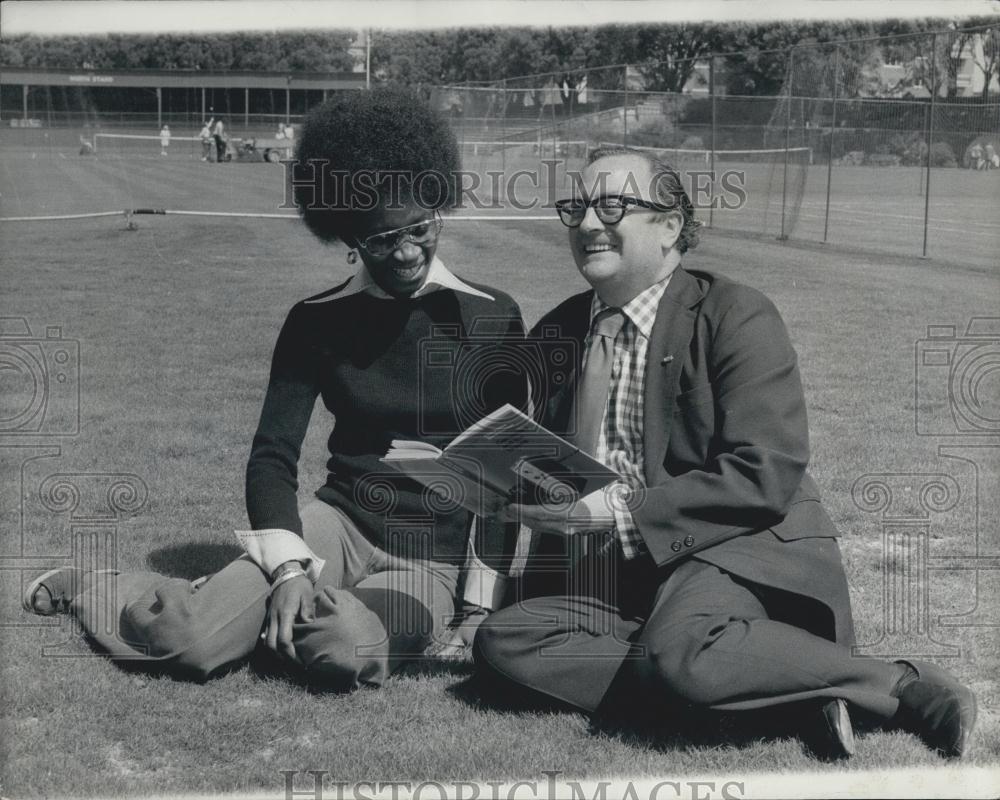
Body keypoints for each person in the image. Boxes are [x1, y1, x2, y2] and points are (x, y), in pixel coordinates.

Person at [473, 145, 978, 760]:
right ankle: (777, 691)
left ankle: (900, 684)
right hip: (615, 576)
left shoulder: (736, 313)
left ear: (670, 226)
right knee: (506, 641)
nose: (585, 224)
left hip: (731, 548)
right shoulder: (557, 331)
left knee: (679, 650)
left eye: (610, 205)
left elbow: (766, 470)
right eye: (576, 207)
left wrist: (624, 514)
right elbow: (557, 464)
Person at [23, 87, 526, 690]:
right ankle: (103, 587)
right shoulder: (315, 320)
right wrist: (288, 570)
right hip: (336, 526)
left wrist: (477, 607)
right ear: (347, 237)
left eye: (418, 227)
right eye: (379, 239)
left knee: (340, 649)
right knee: (188, 640)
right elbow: (272, 457)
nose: (406, 250)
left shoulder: (492, 316)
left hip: (430, 559)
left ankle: (272, 617)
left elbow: (506, 475)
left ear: (439, 208)